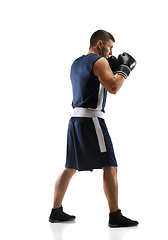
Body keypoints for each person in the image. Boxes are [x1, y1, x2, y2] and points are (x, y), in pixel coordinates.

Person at [49, 29, 138, 228]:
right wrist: (124, 70)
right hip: (92, 120)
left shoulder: (76, 62)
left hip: (74, 121)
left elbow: (91, 83)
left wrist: (111, 69)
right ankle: (115, 216)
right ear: (100, 44)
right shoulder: (100, 62)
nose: (111, 51)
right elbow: (113, 88)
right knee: (110, 165)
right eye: (110, 47)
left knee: (70, 166)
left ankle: (55, 211)